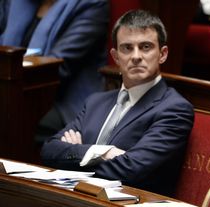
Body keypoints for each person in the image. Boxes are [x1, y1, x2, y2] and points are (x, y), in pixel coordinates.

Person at [40, 10, 195, 196]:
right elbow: (49, 149)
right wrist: (101, 153)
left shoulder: (174, 109)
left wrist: (73, 157)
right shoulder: (95, 102)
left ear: (162, 54)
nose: (136, 56)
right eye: (127, 48)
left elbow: (130, 170)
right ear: (115, 57)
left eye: (146, 47)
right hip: (76, 200)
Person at [0, 0, 109, 144]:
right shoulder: (13, 2)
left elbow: (59, 66)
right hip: (14, 90)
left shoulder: (91, 4)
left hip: (63, 101)